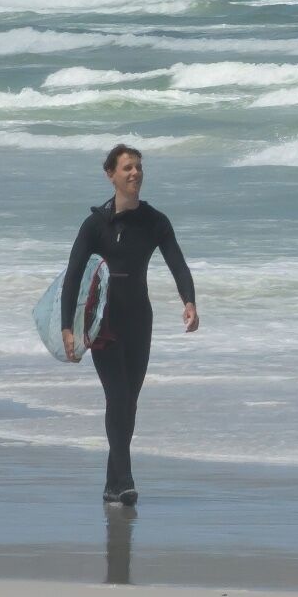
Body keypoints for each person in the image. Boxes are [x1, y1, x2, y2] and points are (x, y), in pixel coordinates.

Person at [60, 143, 197, 507]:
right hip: (102, 324)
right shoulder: (95, 225)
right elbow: (73, 275)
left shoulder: (155, 222)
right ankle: (125, 479)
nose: (135, 173)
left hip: (139, 320)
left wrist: (189, 301)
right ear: (110, 174)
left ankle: (111, 483)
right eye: (127, 168)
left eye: (138, 167)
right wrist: (67, 328)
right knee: (117, 397)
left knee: (129, 404)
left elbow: (177, 264)